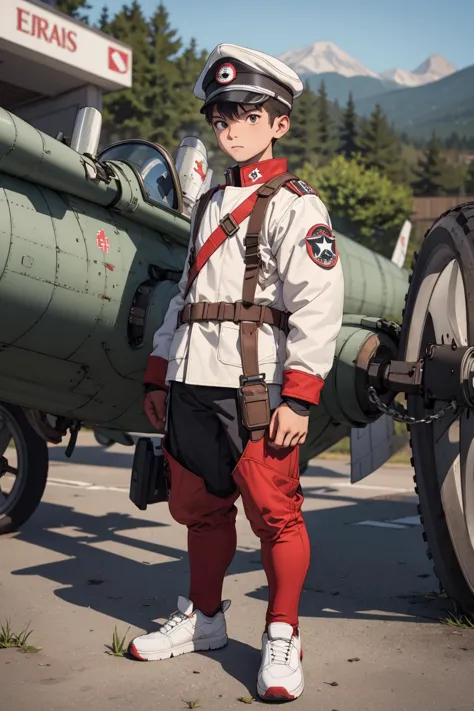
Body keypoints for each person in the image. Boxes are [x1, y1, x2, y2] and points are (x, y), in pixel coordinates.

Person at [129, 43, 344, 702]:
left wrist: (300, 397)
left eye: (246, 112)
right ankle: (206, 619)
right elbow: (185, 298)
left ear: (278, 122)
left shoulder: (298, 205)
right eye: (222, 112)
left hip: (258, 392)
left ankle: (282, 633)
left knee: (276, 515)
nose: (230, 125)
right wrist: (160, 371)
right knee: (198, 509)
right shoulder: (207, 204)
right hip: (195, 384)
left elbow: (319, 304)